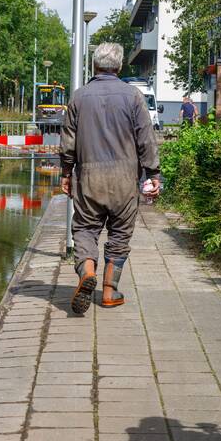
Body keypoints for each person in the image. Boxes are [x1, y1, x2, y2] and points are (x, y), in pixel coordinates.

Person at [60, 43, 161, 315]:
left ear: (94, 66)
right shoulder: (133, 96)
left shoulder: (79, 97)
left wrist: (66, 173)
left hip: (89, 177)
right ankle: (108, 292)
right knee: (119, 233)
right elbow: (146, 139)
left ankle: (87, 271)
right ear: (119, 66)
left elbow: (67, 142)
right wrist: (153, 174)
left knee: (84, 229)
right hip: (125, 178)